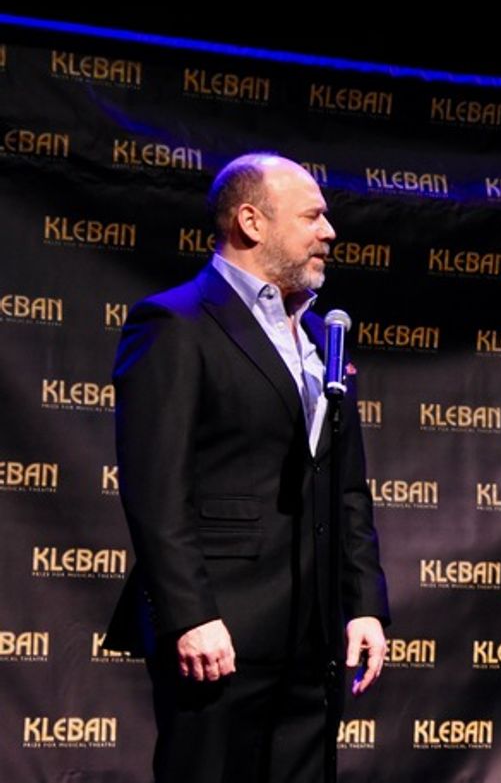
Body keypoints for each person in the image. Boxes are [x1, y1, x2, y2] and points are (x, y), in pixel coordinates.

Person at [104, 153, 390, 783]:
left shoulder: (320, 337)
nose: (329, 232)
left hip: (312, 634)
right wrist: (190, 615)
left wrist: (363, 603)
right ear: (252, 222)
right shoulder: (175, 323)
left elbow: (346, 489)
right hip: (221, 631)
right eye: (313, 216)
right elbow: (156, 488)